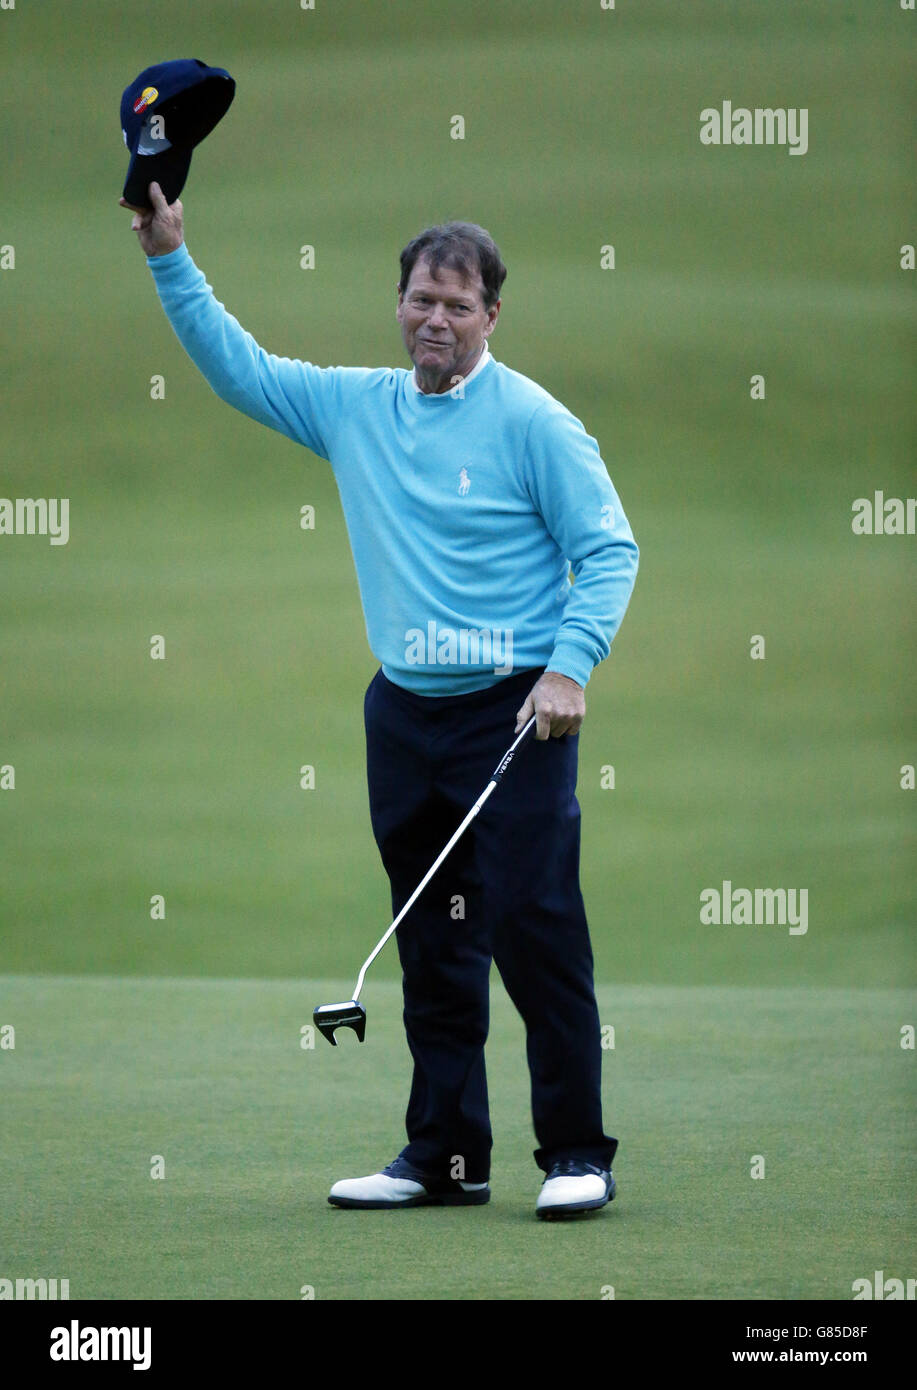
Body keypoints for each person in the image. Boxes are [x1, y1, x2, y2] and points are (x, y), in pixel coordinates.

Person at [121, 182, 639, 1220]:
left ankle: (576, 1152)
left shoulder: (534, 422)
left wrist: (567, 666)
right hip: (403, 712)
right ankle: (445, 1158)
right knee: (434, 940)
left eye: (456, 304)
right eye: (418, 300)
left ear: (492, 315)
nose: (433, 319)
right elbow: (241, 369)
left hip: (513, 712)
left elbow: (608, 549)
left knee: (536, 930)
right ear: (397, 306)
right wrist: (169, 254)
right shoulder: (357, 405)